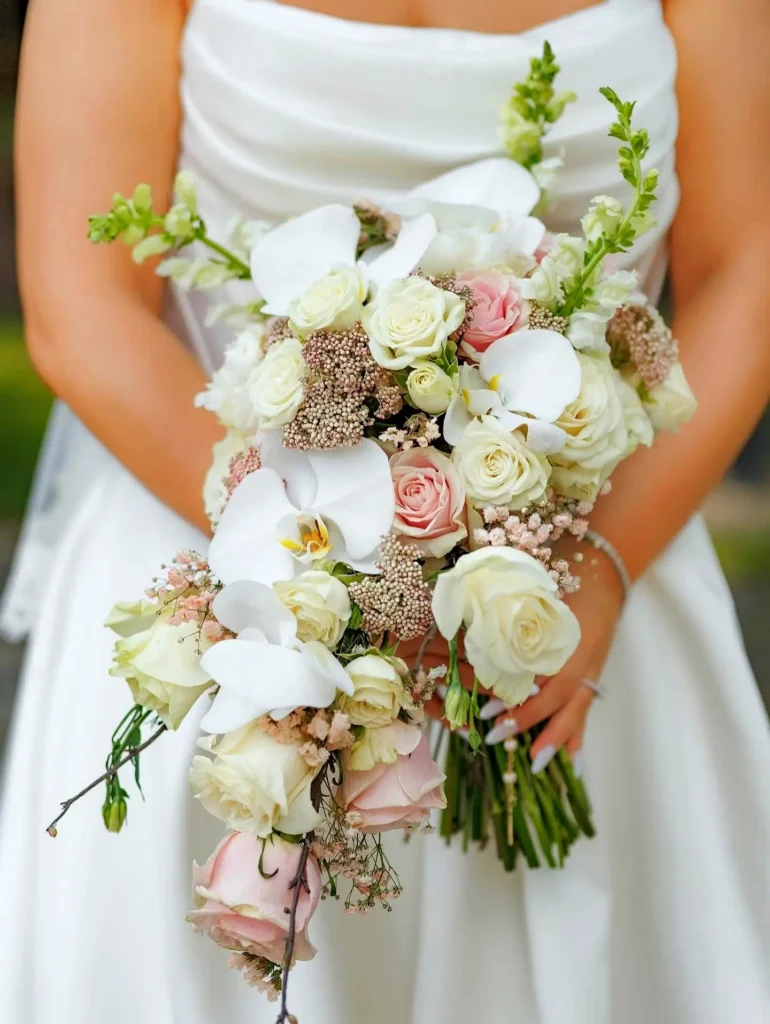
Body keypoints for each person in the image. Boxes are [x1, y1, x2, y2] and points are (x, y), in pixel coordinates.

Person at [1, 1, 769, 1021]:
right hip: (230, 585)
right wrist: (329, 580)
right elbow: (81, 304)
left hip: (581, 596)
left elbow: (747, 266)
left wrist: (594, 573)